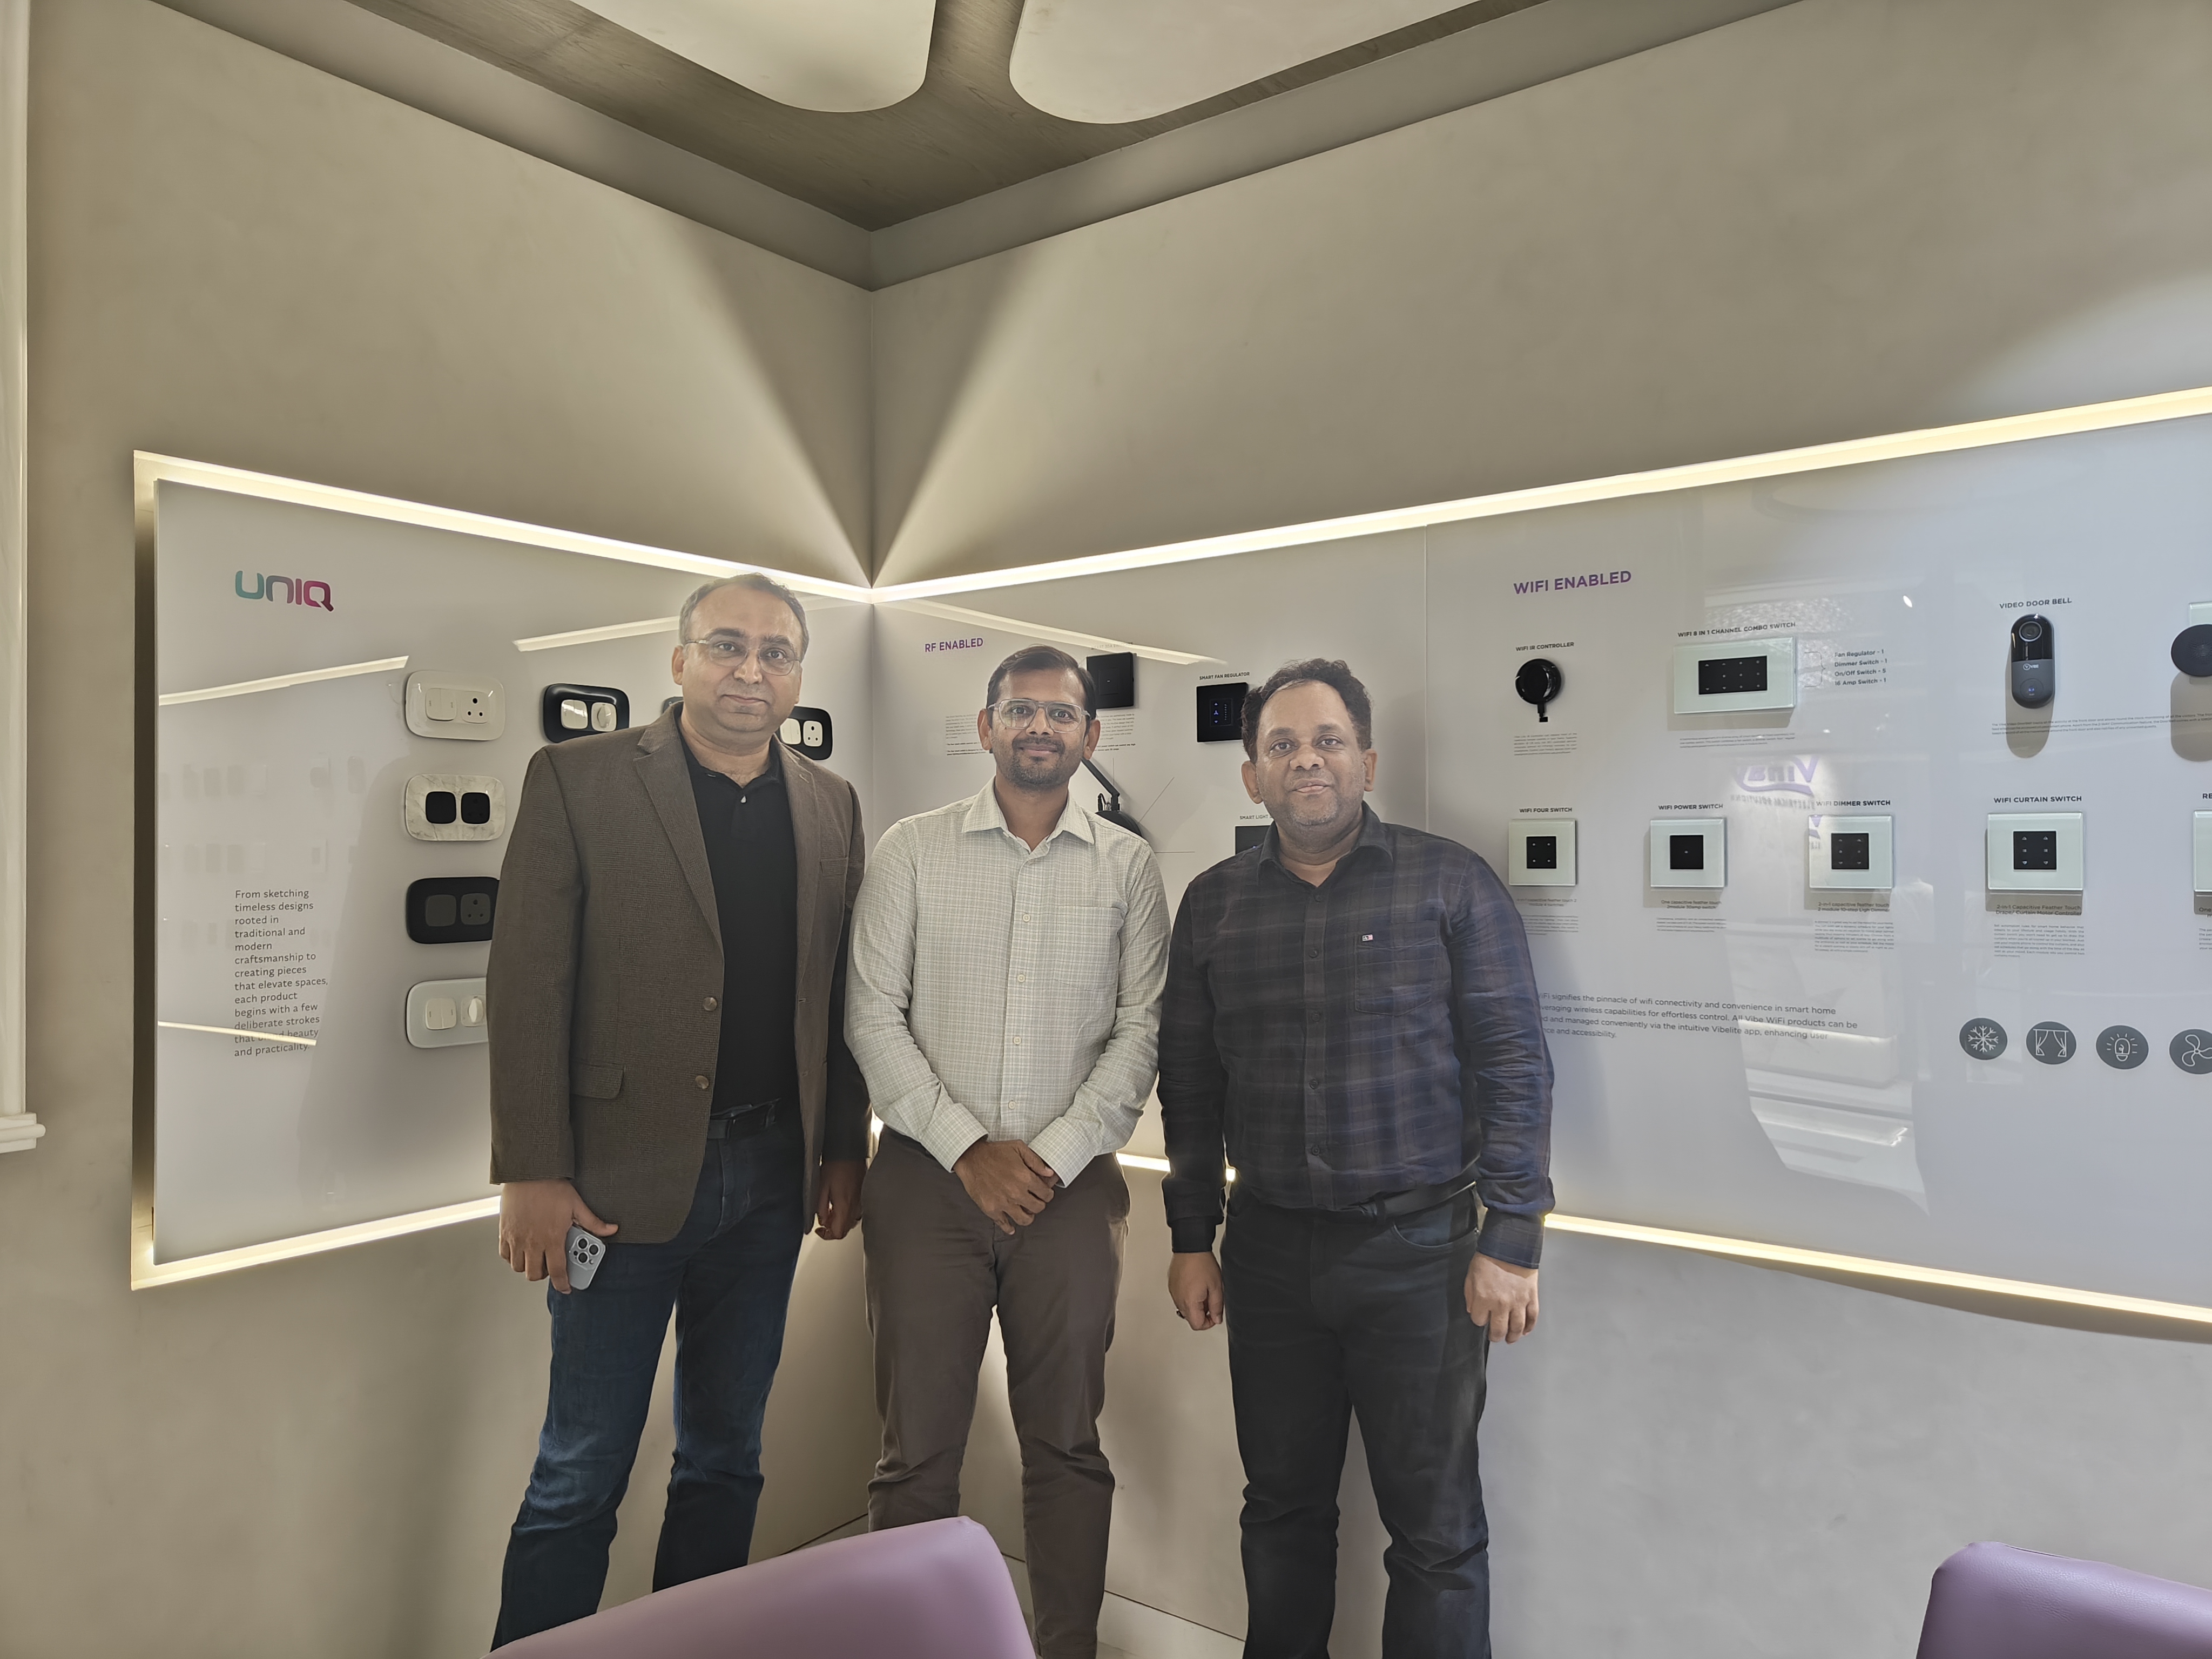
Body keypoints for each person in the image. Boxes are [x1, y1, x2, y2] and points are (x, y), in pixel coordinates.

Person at [484, 572, 870, 1646]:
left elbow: (834, 995)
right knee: (579, 1469)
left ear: (798, 671)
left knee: (725, 1457)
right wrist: (532, 1170)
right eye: (728, 646)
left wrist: (843, 1151)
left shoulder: (829, 803)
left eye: (776, 652)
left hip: (769, 1181)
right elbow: (527, 985)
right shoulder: (578, 779)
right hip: (615, 1182)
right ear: (679, 659)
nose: (752, 670)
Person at [1159, 658, 1553, 1659]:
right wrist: (1192, 1235)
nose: (1307, 762)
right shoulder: (1212, 905)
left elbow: (1515, 1064)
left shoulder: (1450, 882)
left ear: (1367, 761)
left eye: (1328, 741)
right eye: (1282, 746)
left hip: (1420, 1257)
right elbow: (1192, 1087)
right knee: (1282, 1512)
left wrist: (1512, 1236)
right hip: (1268, 1255)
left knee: (1435, 1533)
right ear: (1252, 776)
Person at [846, 644, 1170, 1659]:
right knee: (916, 1458)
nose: (1040, 729)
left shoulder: (1128, 866)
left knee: (1067, 1448)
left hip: (1069, 1195)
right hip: (924, 1184)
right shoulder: (911, 849)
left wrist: (1053, 1156)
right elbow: (870, 1016)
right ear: (985, 728)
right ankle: (914, 1643)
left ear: (1090, 735)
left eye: (1060, 715)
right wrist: (966, 1149)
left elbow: (1142, 1033)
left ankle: (1065, 1644)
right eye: (1020, 712)